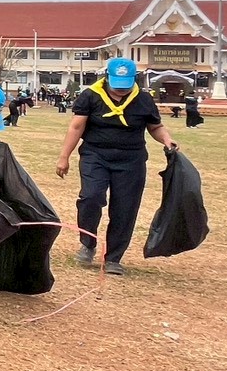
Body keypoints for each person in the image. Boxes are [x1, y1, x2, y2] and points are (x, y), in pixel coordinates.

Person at [54, 57, 177, 277]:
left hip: (131, 160)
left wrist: (167, 140)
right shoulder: (91, 96)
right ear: (107, 78)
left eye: (125, 85)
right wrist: (64, 157)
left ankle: (113, 258)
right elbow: (76, 127)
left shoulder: (143, 99)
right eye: (117, 84)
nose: (121, 90)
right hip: (95, 156)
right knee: (91, 197)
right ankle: (88, 243)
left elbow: (155, 126)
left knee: (125, 208)